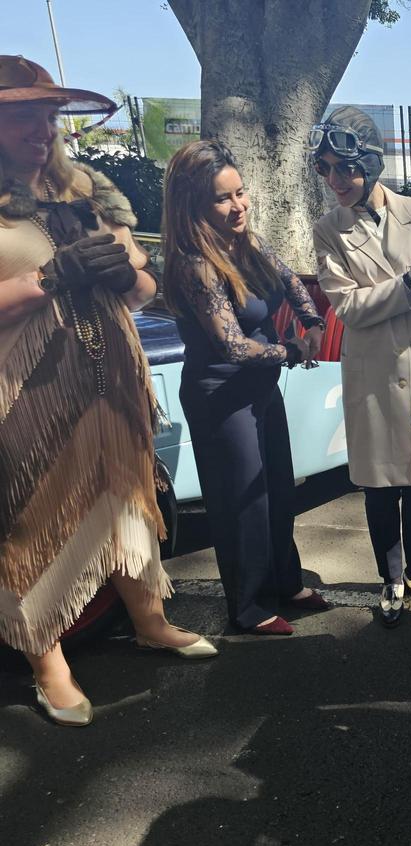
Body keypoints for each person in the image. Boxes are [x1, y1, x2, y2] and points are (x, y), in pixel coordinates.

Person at [0, 55, 217, 728]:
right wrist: (51, 277)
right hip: (28, 394)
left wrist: (124, 272)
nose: (42, 130)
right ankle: (47, 659)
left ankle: (149, 618)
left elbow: (146, 290)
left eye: (48, 117)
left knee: (129, 498)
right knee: (36, 515)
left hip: (110, 375)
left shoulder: (81, 195)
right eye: (22, 117)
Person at [162, 139, 329, 637]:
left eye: (241, 193)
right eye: (222, 198)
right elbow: (232, 346)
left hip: (259, 390)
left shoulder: (245, 243)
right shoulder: (196, 264)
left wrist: (312, 319)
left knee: (279, 485)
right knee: (243, 503)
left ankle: (285, 582)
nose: (239, 206)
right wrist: (295, 351)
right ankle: (249, 607)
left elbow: (290, 279)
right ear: (194, 206)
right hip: (221, 397)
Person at [311, 107, 411, 627]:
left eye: (344, 167)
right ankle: (389, 577)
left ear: (370, 162)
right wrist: (409, 284)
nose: (336, 181)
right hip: (370, 371)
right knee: (378, 483)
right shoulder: (328, 230)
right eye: (325, 169)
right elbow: (347, 307)